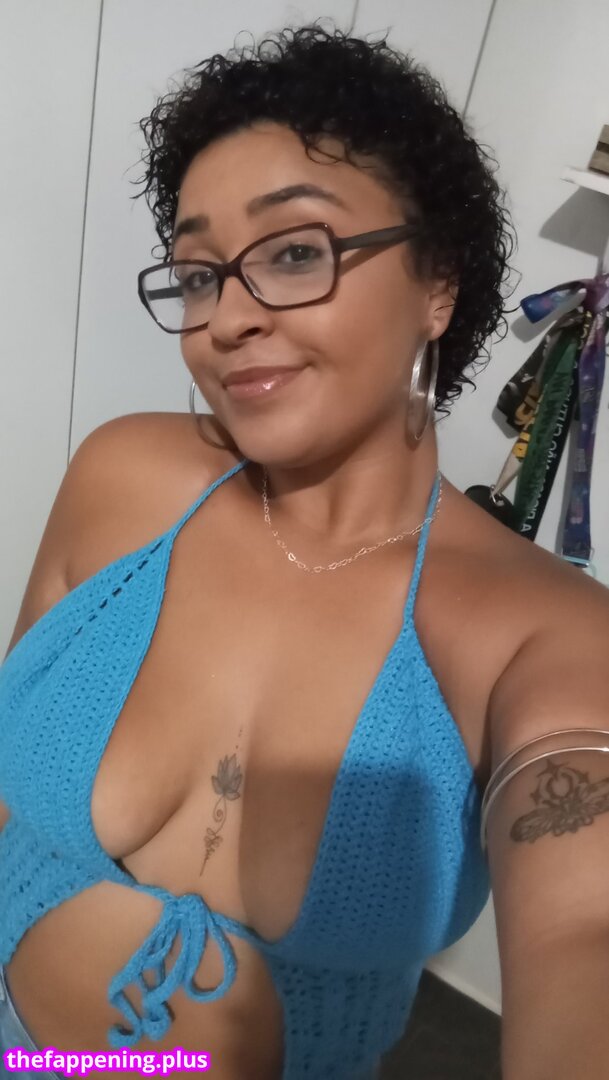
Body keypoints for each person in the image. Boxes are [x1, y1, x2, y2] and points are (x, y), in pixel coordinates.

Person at [2, 21, 609, 1080]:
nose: (227, 317)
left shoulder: (543, 634)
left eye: (293, 253)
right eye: (199, 274)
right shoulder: (123, 479)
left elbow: (584, 934)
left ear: (438, 283)